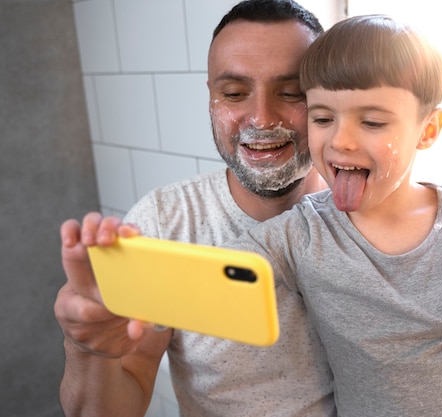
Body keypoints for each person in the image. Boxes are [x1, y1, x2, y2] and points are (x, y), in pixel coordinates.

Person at [218, 14, 442, 416]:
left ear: (428, 130)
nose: (340, 140)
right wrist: (130, 254)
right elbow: (214, 275)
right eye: (322, 118)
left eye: (372, 121)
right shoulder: (304, 233)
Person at [53, 1, 335, 417]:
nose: (260, 118)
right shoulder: (164, 224)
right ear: (211, 97)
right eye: (234, 93)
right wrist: (87, 351)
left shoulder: (364, 215)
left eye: (291, 93)